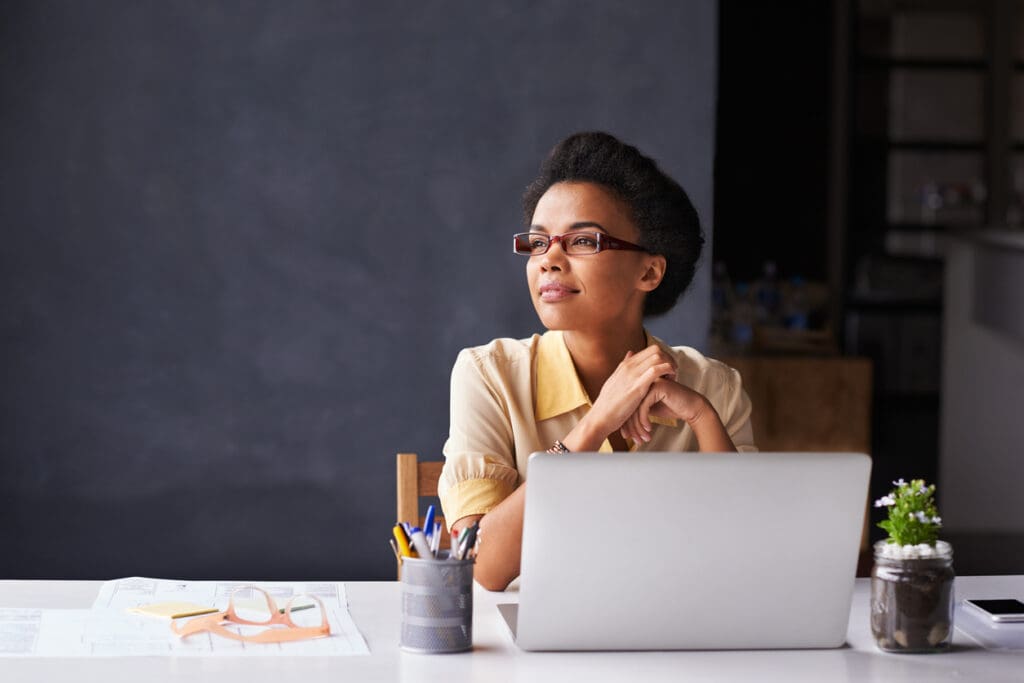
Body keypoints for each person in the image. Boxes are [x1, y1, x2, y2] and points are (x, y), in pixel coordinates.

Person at [438, 132, 756, 591]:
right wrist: (595, 425)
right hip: (528, 648)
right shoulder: (489, 374)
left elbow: (746, 550)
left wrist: (702, 416)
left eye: (583, 241)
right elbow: (483, 565)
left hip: (678, 639)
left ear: (648, 271)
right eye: (538, 242)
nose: (549, 259)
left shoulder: (713, 385)